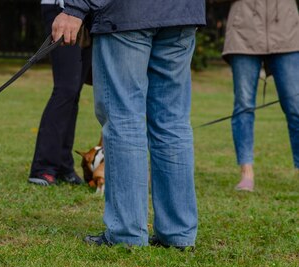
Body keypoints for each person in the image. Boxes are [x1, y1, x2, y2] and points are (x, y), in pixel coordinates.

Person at [52, 0, 205, 248]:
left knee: (123, 118)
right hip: (182, 13)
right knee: (172, 123)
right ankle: (178, 234)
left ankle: (127, 234)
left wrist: (75, 7)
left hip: (126, 14)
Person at [222, 0, 299, 192]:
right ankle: (246, 173)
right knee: (244, 105)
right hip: (243, 32)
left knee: (296, 106)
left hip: (287, 32)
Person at [28, 0, 92, 186]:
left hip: (88, 13)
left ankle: (64, 165)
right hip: (63, 9)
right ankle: (43, 168)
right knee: (66, 89)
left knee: (74, 92)